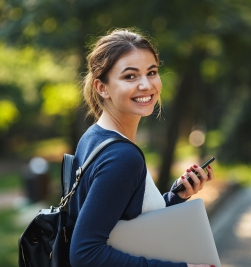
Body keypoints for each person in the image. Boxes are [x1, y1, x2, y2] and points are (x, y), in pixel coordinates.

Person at [69, 28, 215, 267]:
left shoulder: (94, 137)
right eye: (130, 76)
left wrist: (176, 197)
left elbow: (123, 223)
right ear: (101, 87)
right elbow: (85, 254)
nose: (146, 85)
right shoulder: (123, 157)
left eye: (152, 72)